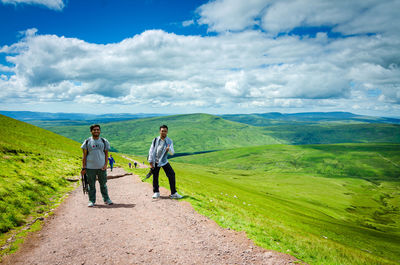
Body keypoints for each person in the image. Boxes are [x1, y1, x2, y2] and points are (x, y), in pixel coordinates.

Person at [81, 124, 113, 207]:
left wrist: (106, 165)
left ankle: (106, 199)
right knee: (91, 185)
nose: (96, 131)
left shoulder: (104, 141)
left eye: (98, 129)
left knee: (103, 184)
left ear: (100, 131)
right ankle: (91, 200)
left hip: (101, 167)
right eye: (94, 130)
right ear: (91, 131)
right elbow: (84, 156)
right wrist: (83, 167)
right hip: (90, 168)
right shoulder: (87, 141)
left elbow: (106, 154)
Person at [148, 125, 183, 199]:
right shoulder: (155, 140)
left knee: (172, 174)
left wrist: (169, 149)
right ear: (160, 131)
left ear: (167, 132)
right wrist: (151, 162)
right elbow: (151, 151)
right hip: (156, 161)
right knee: (155, 176)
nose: (163, 132)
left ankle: (173, 193)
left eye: (165, 131)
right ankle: (156, 192)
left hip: (164, 161)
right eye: (162, 131)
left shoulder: (169, 141)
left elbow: (172, 153)